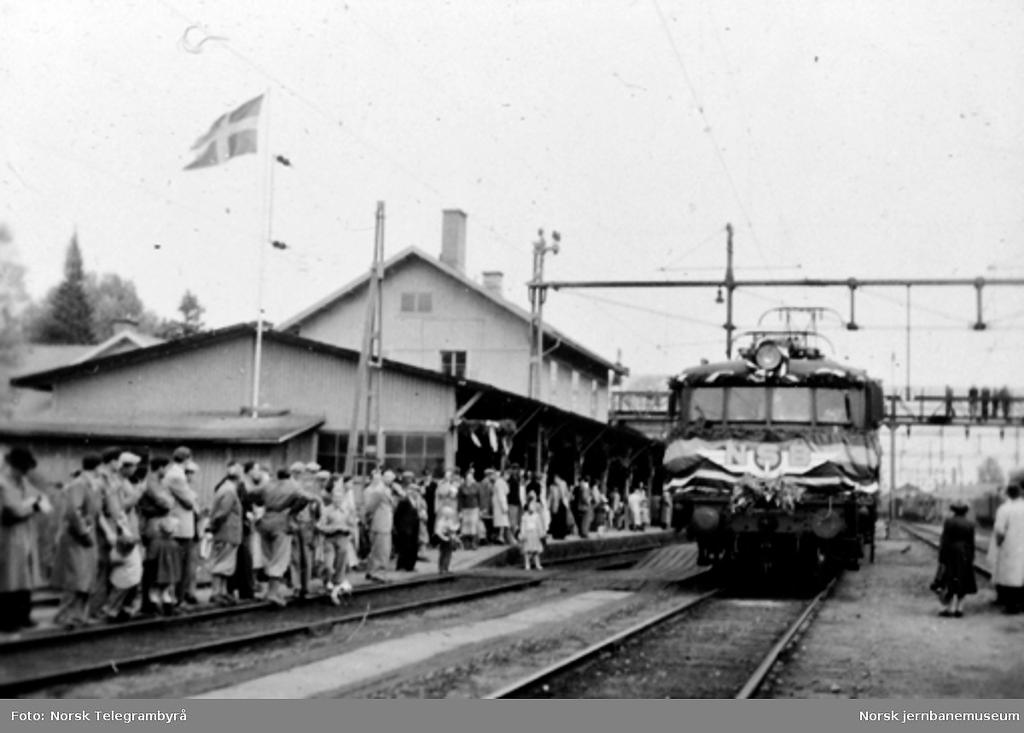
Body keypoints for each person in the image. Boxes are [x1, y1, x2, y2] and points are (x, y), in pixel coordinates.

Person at [0, 447, 49, 633]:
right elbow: (13, 510)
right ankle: (6, 621)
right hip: (8, 536)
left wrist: (37, 501)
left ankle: (23, 616)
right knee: (9, 579)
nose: (24, 473)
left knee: (24, 577)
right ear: (13, 466)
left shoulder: (21, 481)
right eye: (22, 468)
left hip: (24, 535)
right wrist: (34, 507)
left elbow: (36, 494)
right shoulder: (3, 484)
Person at [52, 455, 102, 628]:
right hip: (78, 538)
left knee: (85, 577)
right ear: (97, 467)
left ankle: (80, 615)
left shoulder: (90, 484)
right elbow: (74, 511)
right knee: (76, 576)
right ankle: (64, 615)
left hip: (87, 536)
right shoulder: (79, 484)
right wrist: (84, 532)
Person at [258, 467, 315, 606]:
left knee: (268, 557)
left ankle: (267, 591)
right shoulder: (292, 485)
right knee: (279, 558)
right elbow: (306, 498)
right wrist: (292, 512)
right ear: (289, 476)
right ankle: (273, 593)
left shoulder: (268, 485)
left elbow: (254, 495)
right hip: (281, 520)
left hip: (265, 520)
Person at [932, 500, 977, 617]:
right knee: (963, 580)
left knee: (950, 579)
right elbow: (972, 542)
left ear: (954, 511)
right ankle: (959, 608)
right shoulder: (970, 523)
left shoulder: (949, 522)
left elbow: (944, 540)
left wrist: (941, 557)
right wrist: (971, 557)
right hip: (965, 553)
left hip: (951, 553)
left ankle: (949, 608)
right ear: (966, 511)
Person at [316, 477, 358, 604]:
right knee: (329, 564)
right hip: (330, 539)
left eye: (340, 498)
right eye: (335, 498)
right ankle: (326, 581)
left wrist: (348, 529)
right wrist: (333, 528)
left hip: (343, 539)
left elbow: (352, 525)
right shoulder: (327, 510)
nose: (338, 500)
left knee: (341, 564)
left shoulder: (346, 511)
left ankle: (336, 588)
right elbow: (320, 525)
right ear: (332, 498)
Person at [208, 464, 243, 605]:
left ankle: (221, 592)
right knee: (222, 563)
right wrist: (214, 526)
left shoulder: (226, 488)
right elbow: (223, 512)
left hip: (227, 532)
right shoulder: (229, 491)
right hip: (226, 532)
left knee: (225, 564)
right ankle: (216, 592)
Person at [993, 478, 1024, 614]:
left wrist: (999, 543)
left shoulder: (1004, 509)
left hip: (1010, 546)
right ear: (1021, 493)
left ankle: (1011, 606)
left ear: (1008, 494)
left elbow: (999, 530)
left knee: (1010, 576)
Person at [362, 469, 396, 582]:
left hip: (384, 523)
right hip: (381, 523)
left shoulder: (386, 489)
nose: (392, 481)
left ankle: (371, 571)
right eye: (390, 479)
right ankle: (379, 573)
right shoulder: (379, 491)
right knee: (382, 550)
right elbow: (370, 507)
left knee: (378, 549)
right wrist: (368, 519)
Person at [392, 476, 420, 572]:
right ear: (409, 491)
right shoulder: (404, 502)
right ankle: (401, 566)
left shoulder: (416, 502)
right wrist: (399, 527)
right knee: (404, 547)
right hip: (405, 528)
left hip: (414, 528)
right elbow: (397, 516)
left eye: (417, 491)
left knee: (413, 547)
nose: (416, 493)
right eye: (414, 491)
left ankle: (410, 566)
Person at [457, 468, 482, 550]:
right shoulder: (461, 487)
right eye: (468, 478)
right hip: (465, 509)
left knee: (474, 526)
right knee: (465, 527)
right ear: (465, 478)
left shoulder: (476, 486)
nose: (469, 479)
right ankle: (467, 544)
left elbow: (479, 498)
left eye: (471, 477)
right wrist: (459, 511)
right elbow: (459, 499)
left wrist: (480, 509)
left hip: (474, 508)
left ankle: (474, 543)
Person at [520, 493, 545, 570]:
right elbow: (523, 526)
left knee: (536, 551)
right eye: (530, 506)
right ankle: (527, 564)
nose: (531, 507)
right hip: (528, 534)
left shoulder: (537, 516)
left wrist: (541, 533)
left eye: (533, 506)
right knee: (527, 550)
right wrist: (522, 534)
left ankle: (537, 563)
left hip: (535, 534)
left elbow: (539, 525)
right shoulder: (524, 517)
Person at [434, 504, 460, 575]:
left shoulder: (449, 521)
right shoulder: (441, 521)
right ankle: (441, 568)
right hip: (444, 538)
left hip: (449, 538)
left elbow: (454, 528)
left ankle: (446, 567)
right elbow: (438, 530)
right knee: (443, 554)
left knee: (449, 554)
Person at [491, 468, 511, 545]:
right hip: (500, 504)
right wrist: (504, 506)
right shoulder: (500, 483)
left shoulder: (500, 482)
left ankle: (500, 536)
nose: (508, 477)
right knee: (502, 522)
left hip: (499, 503)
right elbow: (501, 495)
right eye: (507, 475)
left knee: (502, 522)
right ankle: (500, 537)